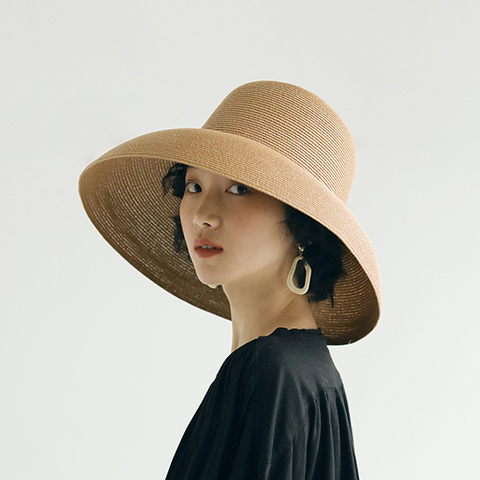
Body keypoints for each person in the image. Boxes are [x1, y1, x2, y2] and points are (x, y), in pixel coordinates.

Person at [79, 80, 382, 479]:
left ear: (304, 225)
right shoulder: (301, 369)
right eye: (193, 186)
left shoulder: (270, 372)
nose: (203, 213)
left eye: (239, 188)